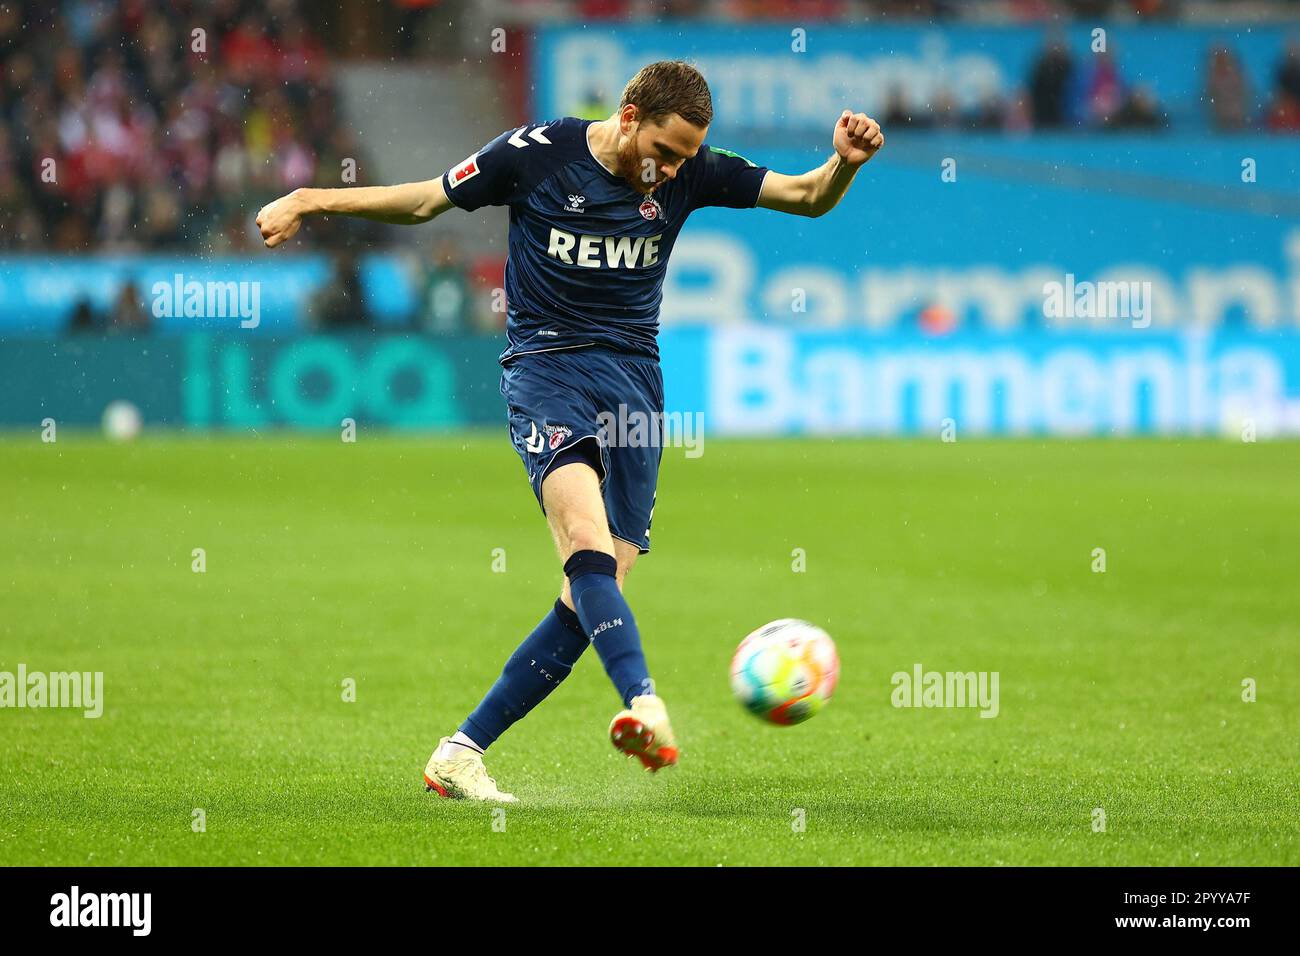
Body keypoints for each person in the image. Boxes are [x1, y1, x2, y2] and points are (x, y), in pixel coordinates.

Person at [255, 60, 883, 802]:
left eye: (687, 157)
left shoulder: (693, 174)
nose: (674, 169)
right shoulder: (535, 154)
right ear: (628, 116)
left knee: (593, 593)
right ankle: (643, 701)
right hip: (547, 371)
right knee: (584, 542)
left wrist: (842, 164)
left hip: (635, 388)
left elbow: (808, 197)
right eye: (667, 150)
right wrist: (308, 199)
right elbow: (426, 202)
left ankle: (461, 753)